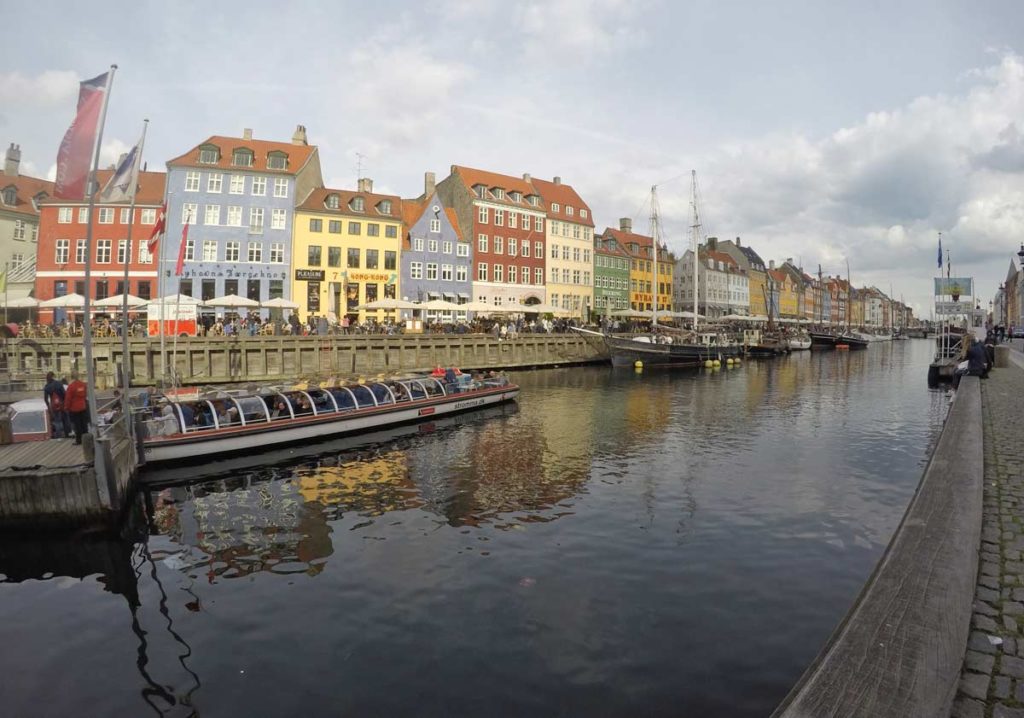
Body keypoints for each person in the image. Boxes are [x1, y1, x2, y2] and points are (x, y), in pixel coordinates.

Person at [65, 372, 89, 445]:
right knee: (84, 424)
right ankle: (87, 439)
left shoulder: (71, 386)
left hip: (74, 408)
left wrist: (66, 407)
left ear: (71, 377)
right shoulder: (83, 385)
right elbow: (85, 395)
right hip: (83, 406)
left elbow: (68, 398)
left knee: (77, 425)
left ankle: (79, 440)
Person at [43, 371, 69, 438]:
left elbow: (45, 399)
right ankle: (67, 434)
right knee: (65, 419)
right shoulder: (59, 383)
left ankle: (59, 436)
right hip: (62, 404)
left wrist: (49, 407)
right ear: (53, 376)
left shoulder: (47, 386)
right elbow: (64, 394)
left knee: (57, 421)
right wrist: (64, 402)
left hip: (54, 405)